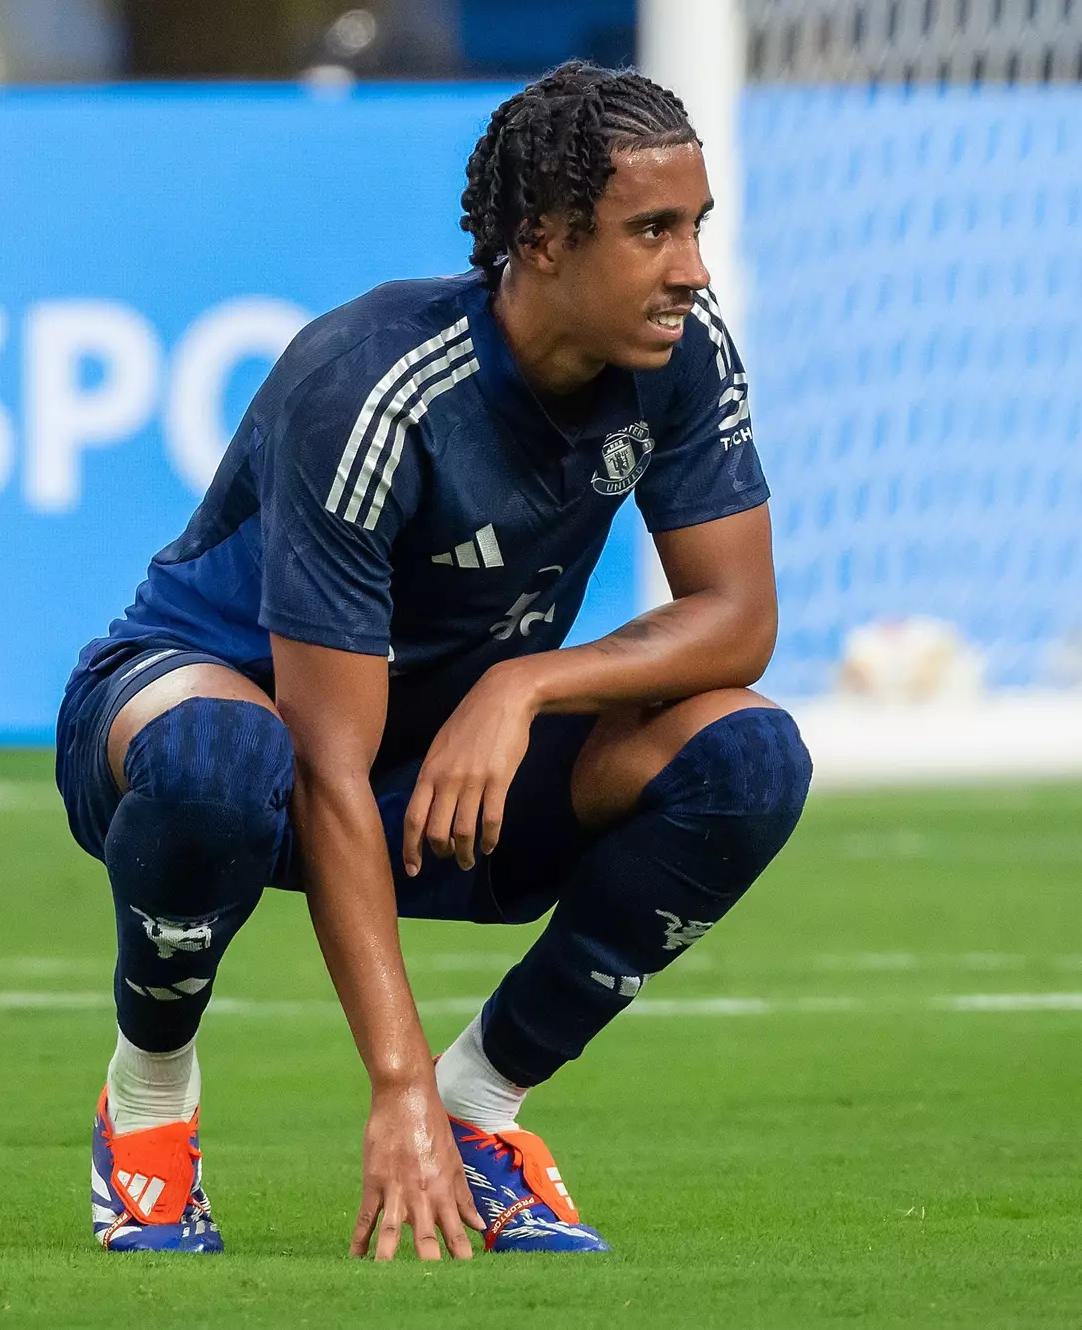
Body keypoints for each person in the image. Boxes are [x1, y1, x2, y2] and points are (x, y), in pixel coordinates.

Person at [56, 61, 811, 1260]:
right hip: (219, 717)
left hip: (451, 747)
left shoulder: (683, 351)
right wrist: (387, 1078)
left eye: (697, 227)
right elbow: (324, 761)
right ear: (546, 241)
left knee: (748, 754)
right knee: (220, 754)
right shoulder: (375, 389)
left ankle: (483, 1107)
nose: (693, 269)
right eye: (654, 231)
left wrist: (525, 684)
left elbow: (737, 618)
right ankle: (149, 1101)